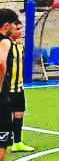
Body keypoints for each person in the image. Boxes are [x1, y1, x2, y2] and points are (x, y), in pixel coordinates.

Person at [0, 9, 19, 161]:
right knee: (2, 141)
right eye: (14, 24)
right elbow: (0, 63)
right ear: (7, 26)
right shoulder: (4, 41)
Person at [8, 18, 35, 153]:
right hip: (6, 88)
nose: (20, 31)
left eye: (21, 28)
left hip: (18, 87)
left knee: (19, 114)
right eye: (17, 29)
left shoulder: (20, 45)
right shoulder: (5, 45)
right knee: (5, 116)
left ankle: (17, 142)